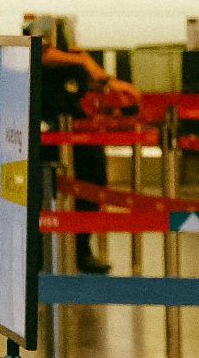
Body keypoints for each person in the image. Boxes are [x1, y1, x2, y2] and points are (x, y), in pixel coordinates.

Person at [33, 21, 140, 275]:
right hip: (44, 119)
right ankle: (39, 253)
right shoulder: (37, 13)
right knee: (41, 188)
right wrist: (82, 62)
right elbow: (38, 51)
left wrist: (92, 71)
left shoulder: (67, 25)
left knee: (91, 179)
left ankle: (82, 249)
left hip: (75, 120)